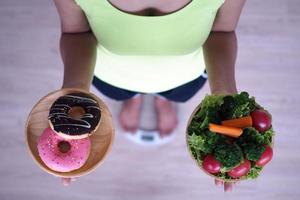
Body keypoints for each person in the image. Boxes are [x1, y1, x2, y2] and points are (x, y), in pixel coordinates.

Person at [53, 0, 246, 191]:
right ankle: (136, 98)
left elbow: (222, 32)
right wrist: (74, 94)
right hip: (112, 73)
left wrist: (225, 97)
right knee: (120, 93)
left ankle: (160, 99)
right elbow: (75, 33)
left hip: (184, 74)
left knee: (178, 94)